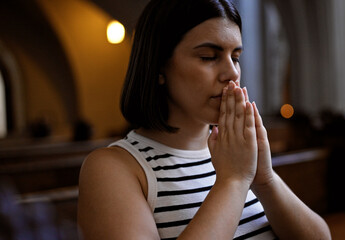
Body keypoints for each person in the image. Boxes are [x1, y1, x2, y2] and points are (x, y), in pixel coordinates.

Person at [77, 0, 331, 239]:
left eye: (236, 58)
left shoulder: (233, 153)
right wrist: (233, 181)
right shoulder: (113, 168)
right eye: (209, 57)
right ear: (159, 66)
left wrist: (264, 179)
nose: (232, 73)